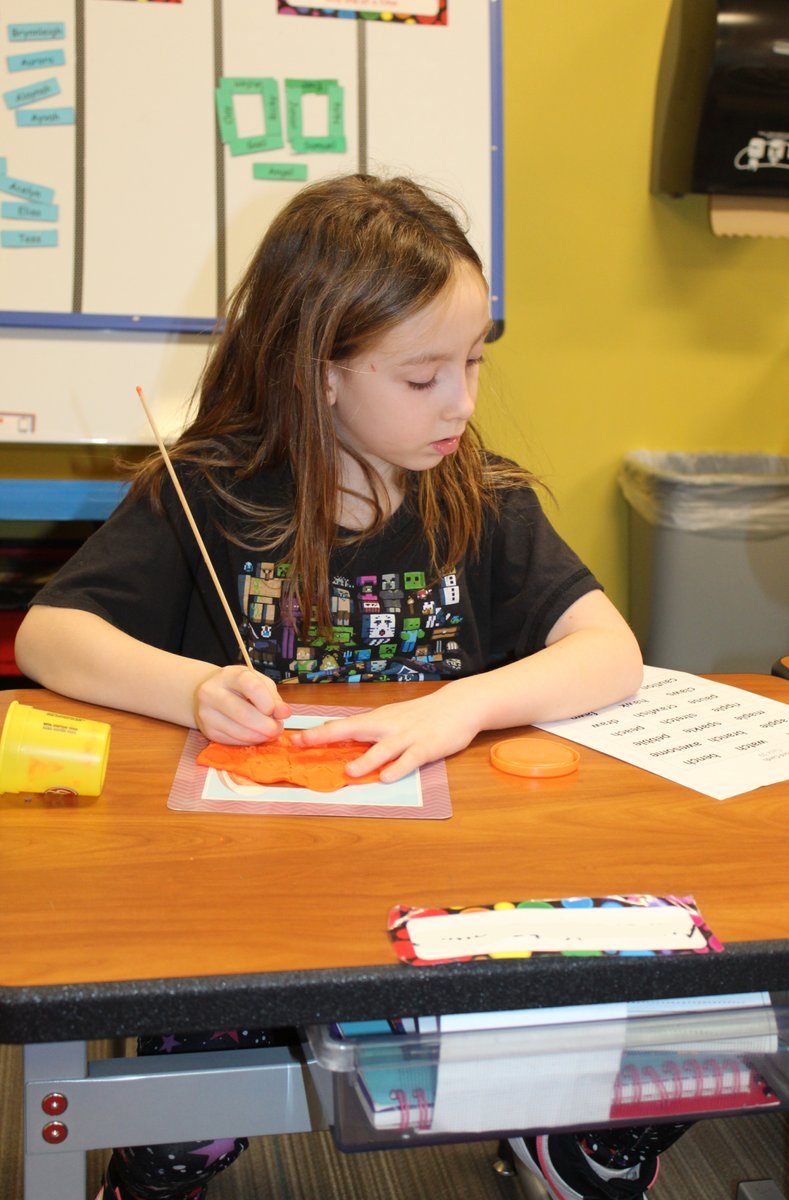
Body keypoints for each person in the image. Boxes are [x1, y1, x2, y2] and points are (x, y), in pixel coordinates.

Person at [15, 173, 677, 1200]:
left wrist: (462, 703)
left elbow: (611, 652)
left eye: (474, 361)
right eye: (423, 377)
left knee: (686, 1009)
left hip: (449, 899)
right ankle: (170, 1152)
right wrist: (191, 689)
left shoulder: (481, 499)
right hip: (253, 906)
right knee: (201, 1054)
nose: (462, 401)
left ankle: (571, 1142)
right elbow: (53, 635)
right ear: (317, 370)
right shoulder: (213, 493)